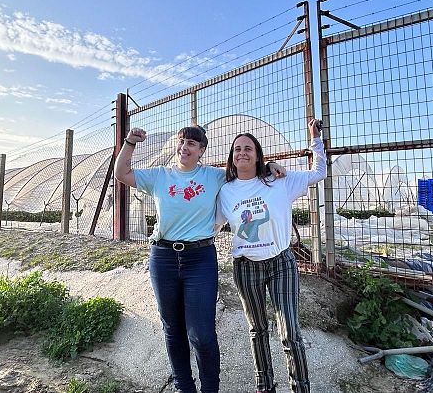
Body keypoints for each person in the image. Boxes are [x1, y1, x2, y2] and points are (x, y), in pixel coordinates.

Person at [114, 124, 285, 393]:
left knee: (202, 334)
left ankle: (210, 389)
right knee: (172, 328)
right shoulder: (160, 176)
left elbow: (244, 168)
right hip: (163, 257)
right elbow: (121, 173)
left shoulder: (214, 176)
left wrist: (270, 164)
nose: (184, 147)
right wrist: (130, 143)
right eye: (181, 141)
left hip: (200, 259)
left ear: (202, 150)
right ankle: (184, 386)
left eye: (191, 143)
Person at [216, 119, 326, 393]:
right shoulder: (225, 192)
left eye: (248, 148)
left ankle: (300, 387)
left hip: (281, 263)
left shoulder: (278, 181)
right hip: (245, 267)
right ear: (231, 157)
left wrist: (315, 139)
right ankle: (264, 386)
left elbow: (319, 172)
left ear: (257, 154)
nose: (242, 152)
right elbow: (212, 226)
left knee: (290, 333)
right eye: (237, 149)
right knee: (257, 330)